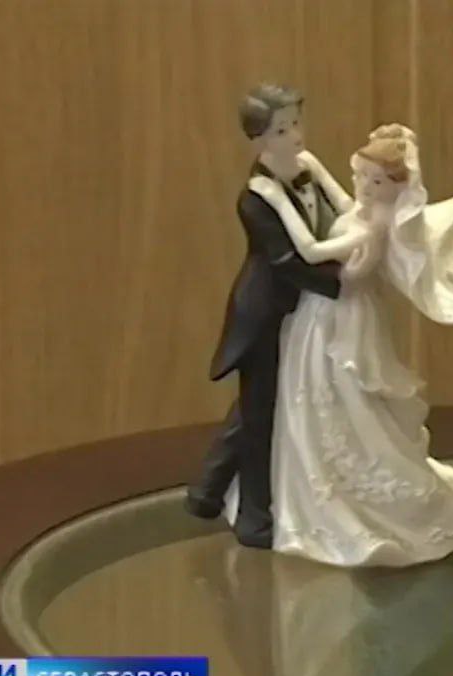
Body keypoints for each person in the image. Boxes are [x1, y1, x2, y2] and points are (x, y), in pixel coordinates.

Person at [220, 124, 453, 566]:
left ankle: (349, 496)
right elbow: (340, 199)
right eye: (361, 175)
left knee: (342, 393)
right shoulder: (361, 208)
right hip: (317, 316)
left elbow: (332, 261)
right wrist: (314, 170)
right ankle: (298, 485)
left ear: (395, 188)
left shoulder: (377, 224)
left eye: (375, 181)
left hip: (340, 316)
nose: (364, 186)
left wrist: (293, 212)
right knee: (308, 398)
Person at [186, 83, 353, 548]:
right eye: (281, 130)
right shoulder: (256, 197)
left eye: (296, 123)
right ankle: (253, 518)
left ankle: (207, 490)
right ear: (258, 139)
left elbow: (340, 213)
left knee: (258, 407)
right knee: (261, 418)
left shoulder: (308, 169)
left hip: (300, 310)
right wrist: (342, 285)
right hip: (265, 312)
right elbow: (284, 261)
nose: (295, 135)